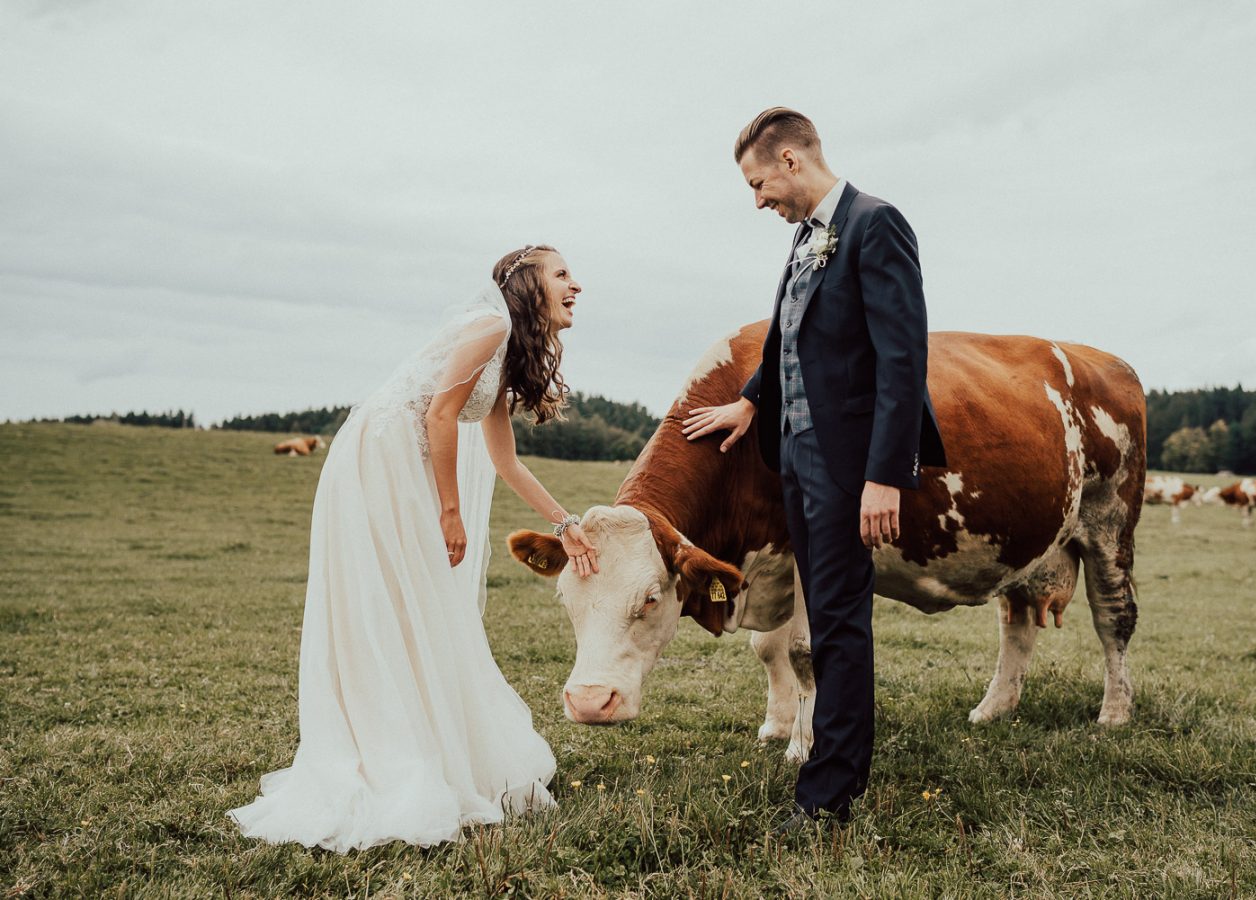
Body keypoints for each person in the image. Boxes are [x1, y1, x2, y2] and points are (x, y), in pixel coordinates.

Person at [229, 245, 599, 852]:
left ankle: (423, 742)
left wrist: (565, 523)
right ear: (528, 284)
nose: (576, 285)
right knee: (397, 597)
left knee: (419, 603)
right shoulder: (490, 325)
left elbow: (505, 460)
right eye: (563, 274)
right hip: (382, 454)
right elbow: (438, 415)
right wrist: (449, 512)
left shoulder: (506, 352)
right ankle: (388, 756)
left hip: (408, 459)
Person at [682, 108, 946, 830]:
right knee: (820, 614)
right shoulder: (804, 237)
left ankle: (830, 794)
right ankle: (828, 770)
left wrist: (885, 474)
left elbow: (901, 359)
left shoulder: (874, 223)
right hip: (794, 455)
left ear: (792, 160)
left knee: (835, 620)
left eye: (758, 181)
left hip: (848, 463)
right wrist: (748, 402)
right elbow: (790, 339)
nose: (758, 198)